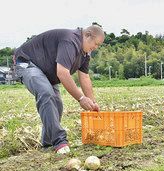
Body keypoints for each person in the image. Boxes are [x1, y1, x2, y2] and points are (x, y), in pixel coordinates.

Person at [14, 25, 105, 154]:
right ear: (87, 35)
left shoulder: (85, 53)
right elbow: (62, 73)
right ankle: (59, 141)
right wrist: (81, 98)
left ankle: (48, 144)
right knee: (46, 93)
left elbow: (84, 77)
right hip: (28, 63)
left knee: (57, 105)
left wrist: (92, 102)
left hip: (47, 73)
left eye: (98, 45)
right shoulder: (71, 40)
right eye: (96, 44)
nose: (96, 48)